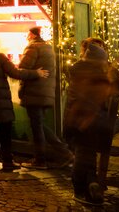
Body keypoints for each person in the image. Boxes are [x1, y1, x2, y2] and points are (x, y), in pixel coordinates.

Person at [0, 35, 48, 172]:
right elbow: (16, 73)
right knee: (5, 132)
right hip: (2, 102)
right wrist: (36, 73)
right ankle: (7, 162)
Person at [63, 41, 114, 206]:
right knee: (85, 154)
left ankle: (87, 185)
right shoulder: (99, 75)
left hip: (79, 120)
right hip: (89, 121)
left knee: (84, 154)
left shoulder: (78, 71)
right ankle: (84, 188)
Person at [18, 26, 70, 169]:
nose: (26, 36)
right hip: (44, 92)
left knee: (37, 127)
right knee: (40, 125)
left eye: (27, 34)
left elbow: (22, 68)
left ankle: (41, 160)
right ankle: (64, 154)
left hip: (34, 92)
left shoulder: (33, 47)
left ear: (32, 34)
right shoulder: (48, 47)